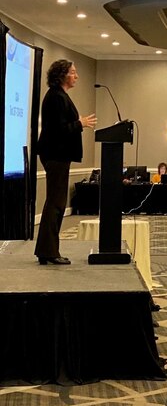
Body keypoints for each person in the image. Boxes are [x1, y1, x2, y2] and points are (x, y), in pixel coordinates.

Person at [35, 60, 96, 265]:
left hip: (57, 155)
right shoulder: (56, 97)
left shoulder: (58, 96)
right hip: (56, 155)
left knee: (56, 202)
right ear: (61, 75)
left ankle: (48, 251)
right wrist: (81, 123)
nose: (76, 76)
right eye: (73, 72)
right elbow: (58, 130)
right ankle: (48, 252)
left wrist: (79, 122)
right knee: (56, 203)